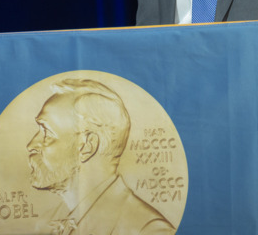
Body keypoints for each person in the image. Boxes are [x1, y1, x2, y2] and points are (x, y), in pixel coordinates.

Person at [27, 79, 175, 235]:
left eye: (47, 133)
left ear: (87, 146)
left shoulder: (149, 230)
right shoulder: (47, 223)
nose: (30, 145)